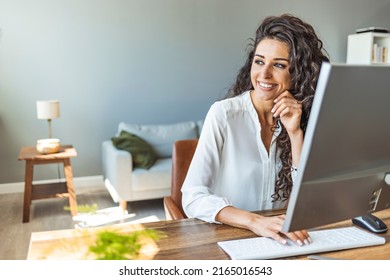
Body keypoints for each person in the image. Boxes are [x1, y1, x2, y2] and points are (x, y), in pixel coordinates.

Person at [181, 14, 329, 246]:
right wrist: (255, 222)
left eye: (279, 65)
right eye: (259, 61)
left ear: (298, 73)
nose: (264, 74)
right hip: (228, 237)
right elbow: (192, 197)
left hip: (284, 238)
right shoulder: (224, 114)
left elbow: (309, 202)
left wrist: (295, 133)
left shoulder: (305, 117)